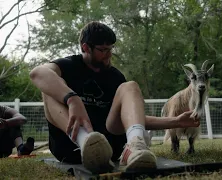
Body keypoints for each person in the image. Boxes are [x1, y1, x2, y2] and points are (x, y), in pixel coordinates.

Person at [29, 21, 200, 174]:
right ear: (85, 48)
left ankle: (135, 147)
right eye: (103, 50)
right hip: (70, 147)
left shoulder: (115, 77)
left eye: (111, 49)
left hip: (110, 147)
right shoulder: (68, 65)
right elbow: (37, 73)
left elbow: (132, 118)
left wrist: (176, 121)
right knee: (48, 87)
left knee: (130, 86)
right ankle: (87, 144)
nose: (109, 54)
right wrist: (73, 99)